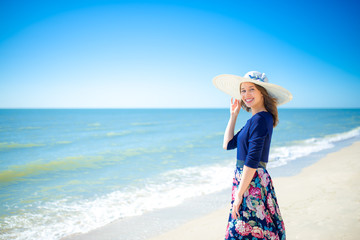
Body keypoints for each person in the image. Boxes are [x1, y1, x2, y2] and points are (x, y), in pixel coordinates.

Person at [212, 71, 293, 240]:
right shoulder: (256, 119)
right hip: (250, 180)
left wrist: (240, 194)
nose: (246, 94)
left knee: (243, 232)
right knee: (255, 231)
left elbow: (252, 159)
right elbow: (227, 144)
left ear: (262, 93)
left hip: (251, 181)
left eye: (251, 89)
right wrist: (233, 115)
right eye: (243, 90)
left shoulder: (260, 119)